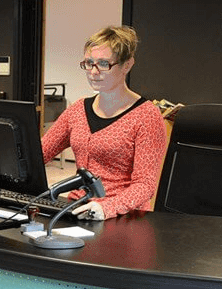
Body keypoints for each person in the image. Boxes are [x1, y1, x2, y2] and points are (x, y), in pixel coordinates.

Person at [41, 25, 166, 221]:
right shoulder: (78, 109)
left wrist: (108, 208)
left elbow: (145, 184)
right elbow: (41, 152)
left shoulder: (147, 115)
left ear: (127, 65)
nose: (93, 71)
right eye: (89, 63)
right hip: (78, 207)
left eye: (103, 64)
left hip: (122, 215)